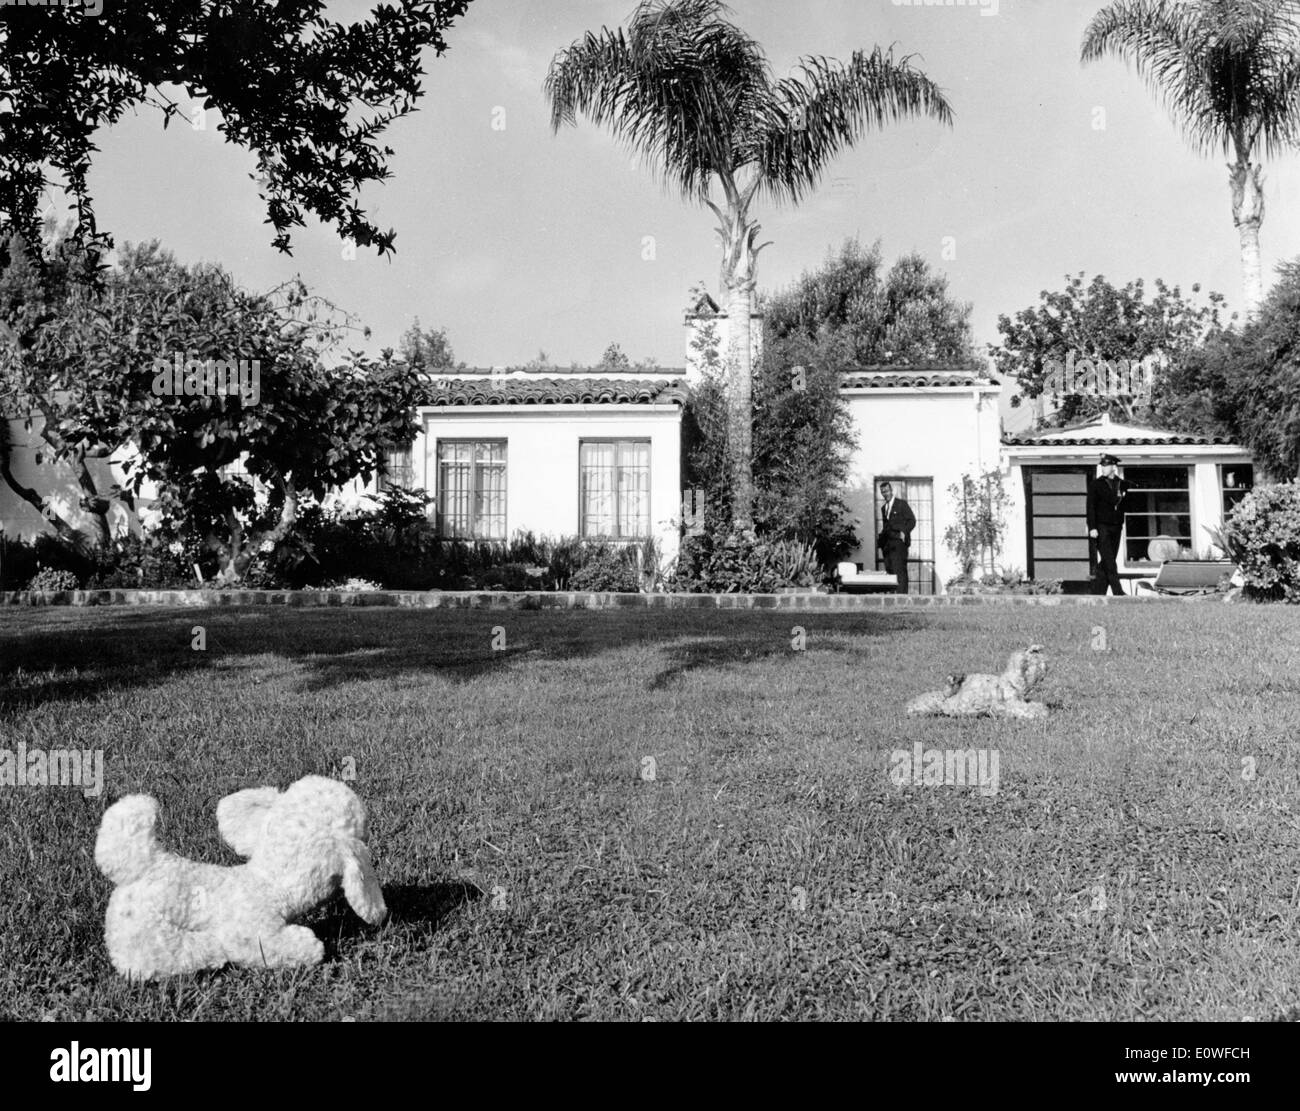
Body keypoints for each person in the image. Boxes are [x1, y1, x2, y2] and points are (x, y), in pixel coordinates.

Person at [1087, 453, 1129, 596]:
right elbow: (1090, 507)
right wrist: (1092, 527)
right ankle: (1118, 591)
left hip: (1116, 526)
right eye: (1102, 466)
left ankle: (1098, 592)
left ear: (1113, 467)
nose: (1103, 468)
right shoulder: (1096, 484)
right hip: (1101, 526)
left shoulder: (1122, 484)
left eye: (1106, 466)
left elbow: (1126, 505)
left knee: (1107, 560)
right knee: (1109, 560)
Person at [876, 481, 916, 595]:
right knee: (890, 569)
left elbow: (912, 521)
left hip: (899, 542)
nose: (885, 494)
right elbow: (886, 526)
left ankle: (902, 597)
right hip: (887, 544)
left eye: (887, 491)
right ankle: (893, 597)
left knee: (899, 570)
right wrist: (881, 540)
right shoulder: (884, 508)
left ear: (891, 490)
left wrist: (904, 531)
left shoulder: (901, 504)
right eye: (883, 492)